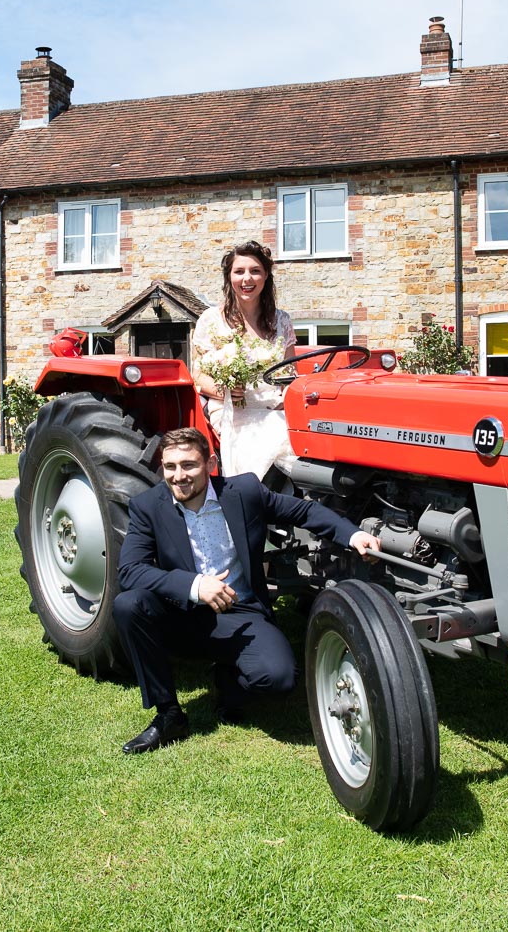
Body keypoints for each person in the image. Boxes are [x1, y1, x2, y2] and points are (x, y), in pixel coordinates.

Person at [112, 427, 381, 754]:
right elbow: (129, 570)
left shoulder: (244, 491)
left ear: (210, 463)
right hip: (180, 614)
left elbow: (304, 511)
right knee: (129, 604)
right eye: (170, 467)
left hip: (240, 610)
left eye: (188, 466)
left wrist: (352, 536)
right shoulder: (148, 506)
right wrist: (195, 585)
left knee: (279, 677)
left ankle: (229, 685)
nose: (178, 476)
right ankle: (168, 714)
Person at [191, 241, 295, 479]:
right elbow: (198, 375)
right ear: (229, 277)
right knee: (260, 446)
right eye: (239, 271)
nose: (247, 279)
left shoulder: (282, 321)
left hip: (275, 406)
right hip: (230, 407)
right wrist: (226, 390)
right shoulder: (210, 320)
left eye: (255, 271)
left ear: (266, 275)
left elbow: (290, 374)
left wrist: (288, 399)